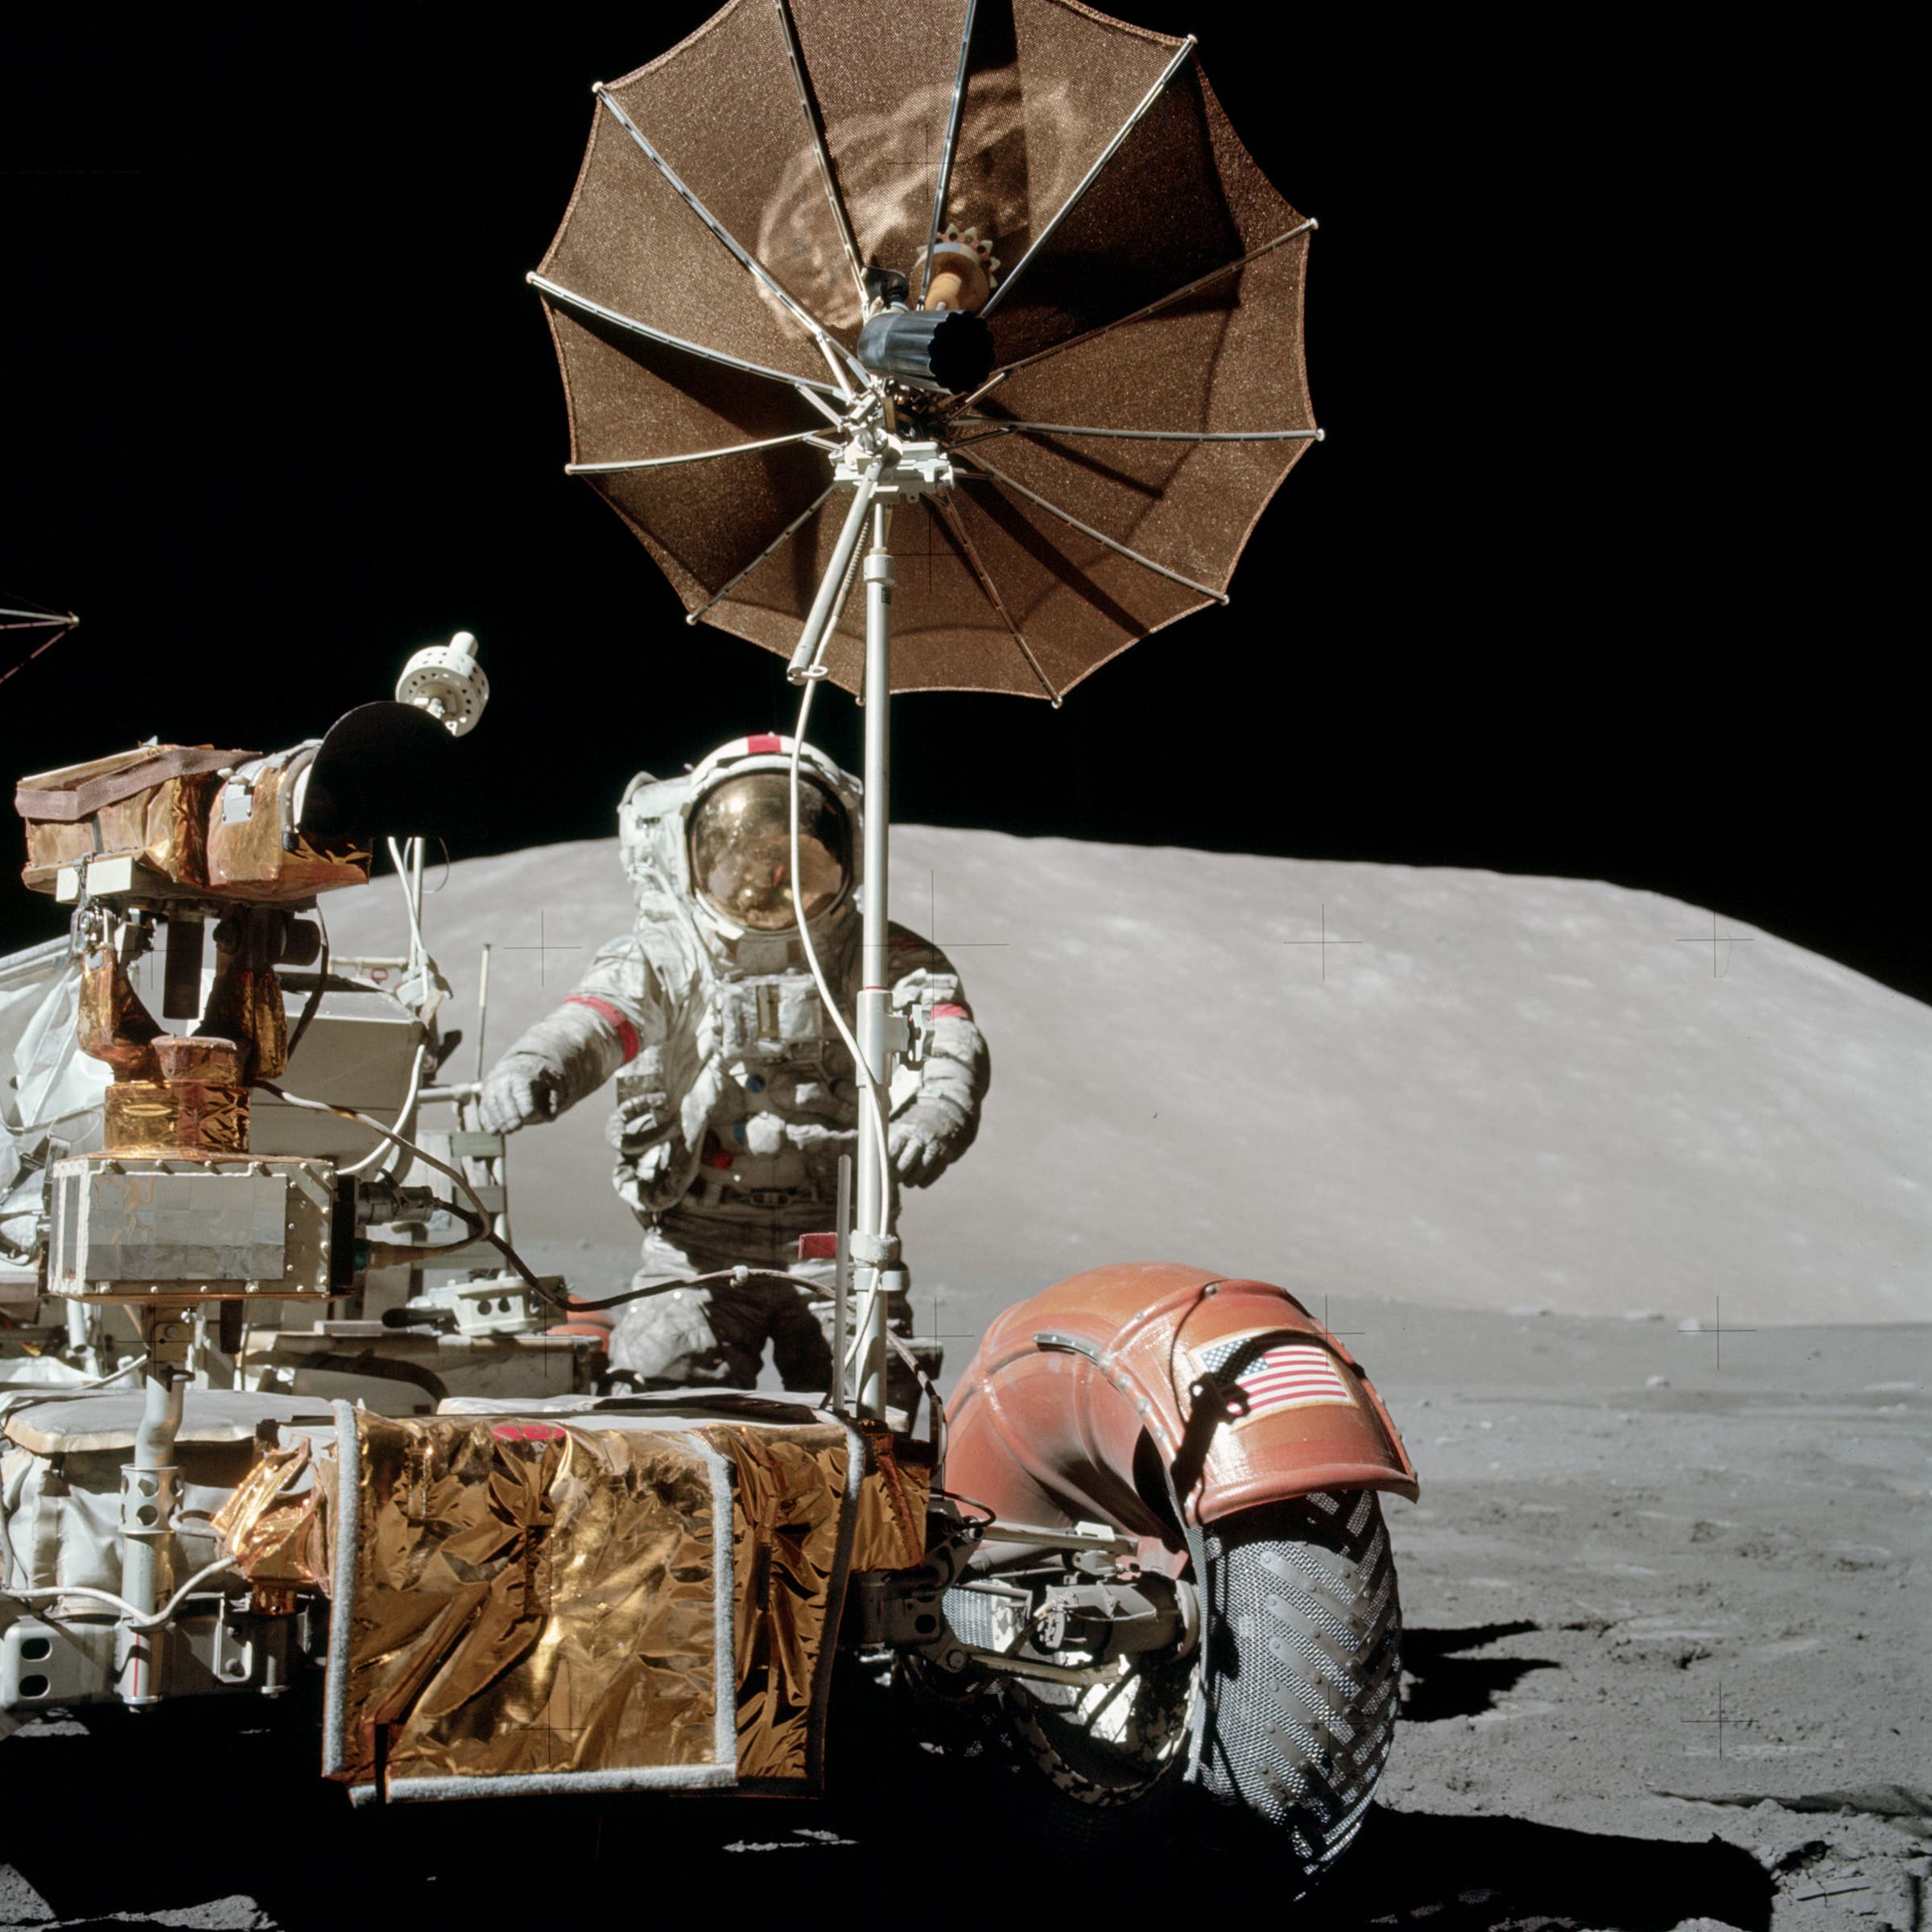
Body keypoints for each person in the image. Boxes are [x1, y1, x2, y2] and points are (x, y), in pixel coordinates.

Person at [477, 735, 989, 1400]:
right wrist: (540, 1064)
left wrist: (940, 1108)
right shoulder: (670, 954)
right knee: (664, 1405)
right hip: (699, 1240)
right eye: (747, 855)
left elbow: (947, 1035)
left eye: (796, 854)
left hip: (838, 1238)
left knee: (875, 1409)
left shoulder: (880, 958)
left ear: (841, 852)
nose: (769, 881)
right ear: (699, 856)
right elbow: (600, 1020)